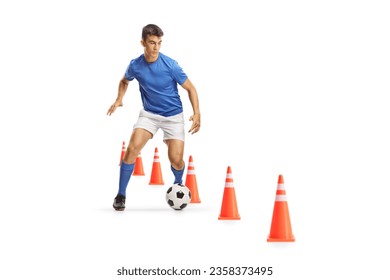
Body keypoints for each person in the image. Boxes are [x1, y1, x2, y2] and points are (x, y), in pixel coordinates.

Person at [107, 24, 201, 211]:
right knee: (132, 149)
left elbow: (191, 88)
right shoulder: (135, 65)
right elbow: (124, 81)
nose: (156, 47)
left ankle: (178, 183)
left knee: (175, 160)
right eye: (152, 43)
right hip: (149, 114)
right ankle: (121, 195)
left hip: (173, 116)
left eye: (159, 43)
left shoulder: (170, 65)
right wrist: (119, 99)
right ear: (143, 43)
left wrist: (197, 112)